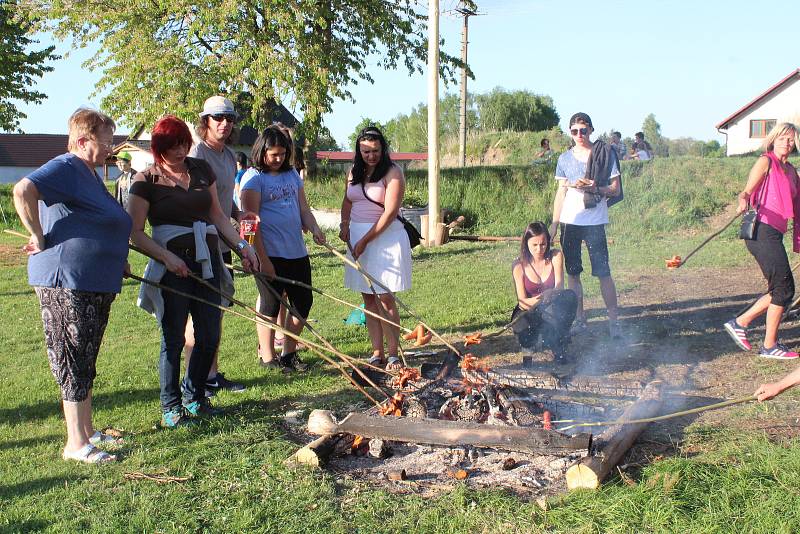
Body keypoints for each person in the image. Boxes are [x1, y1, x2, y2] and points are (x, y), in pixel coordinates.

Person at [12, 108, 131, 463]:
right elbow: (23, 190)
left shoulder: (89, 174)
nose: (110, 148)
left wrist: (114, 255)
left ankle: (87, 430)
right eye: (105, 140)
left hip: (94, 278)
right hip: (66, 280)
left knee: (86, 355)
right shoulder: (65, 165)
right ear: (82, 140)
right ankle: (75, 444)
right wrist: (37, 233)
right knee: (72, 357)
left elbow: (98, 221)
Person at [128, 115, 259, 428]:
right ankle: (171, 406)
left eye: (183, 145)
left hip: (208, 260)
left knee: (210, 333)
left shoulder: (200, 169)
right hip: (172, 265)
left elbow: (217, 214)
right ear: (158, 148)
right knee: (173, 337)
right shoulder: (146, 180)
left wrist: (243, 246)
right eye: (171, 147)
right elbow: (135, 231)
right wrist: (166, 258)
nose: (178, 152)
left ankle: (195, 396)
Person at [240, 126, 325, 371]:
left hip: (296, 251)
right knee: (270, 305)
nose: (278, 159)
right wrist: (262, 259)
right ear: (262, 152)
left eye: (282, 154)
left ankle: (289, 353)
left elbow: (303, 210)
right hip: (269, 253)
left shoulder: (292, 176)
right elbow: (248, 223)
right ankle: (267, 357)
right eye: (273, 155)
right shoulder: (253, 178)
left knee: (303, 302)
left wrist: (315, 228)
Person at [185, 95, 247, 395]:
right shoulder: (197, 154)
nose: (224, 123)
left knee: (217, 310)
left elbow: (224, 198)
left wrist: (239, 213)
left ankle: (211, 373)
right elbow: (208, 208)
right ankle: (194, 378)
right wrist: (241, 245)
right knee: (199, 315)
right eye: (218, 118)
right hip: (201, 243)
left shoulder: (227, 154)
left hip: (222, 242)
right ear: (205, 122)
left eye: (229, 118)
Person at [723, 122, 800, 360]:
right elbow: (746, 191)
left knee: (781, 288)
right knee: (784, 289)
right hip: (761, 231)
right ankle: (764, 342)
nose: (787, 143)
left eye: (791, 139)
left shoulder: (792, 171)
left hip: (774, 233)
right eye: (782, 138)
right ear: (773, 140)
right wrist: (743, 199)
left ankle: (743, 324)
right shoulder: (765, 162)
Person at [339, 126, 412, 370]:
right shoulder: (354, 172)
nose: (371, 155)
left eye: (375, 150)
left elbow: (390, 212)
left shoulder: (392, 173)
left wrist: (365, 240)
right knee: (368, 298)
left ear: (383, 149)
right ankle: (376, 351)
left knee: (385, 297)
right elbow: (348, 200)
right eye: (365, 151)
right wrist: (345, 224)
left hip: (384, 237)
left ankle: (392, 354)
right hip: (358, 235)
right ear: (359, 150)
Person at [550, 112, 622, 338]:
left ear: (591, 130)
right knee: (573, 273)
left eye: (583, 130)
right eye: (574, 131)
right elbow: (561, 192)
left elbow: (615, 189)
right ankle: (579, 319)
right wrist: (554, 223)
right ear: (570, 133)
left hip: (595, 221)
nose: (579, 135)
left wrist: (594, 188)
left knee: (603, 272)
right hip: (570, 222)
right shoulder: (564, 159)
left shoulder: (604, 153)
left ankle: (613, 322)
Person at [511, 222, 577, 364]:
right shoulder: (518, 265)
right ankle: (528, 350)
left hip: (553, 305)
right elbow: (522, 301)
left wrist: (551, 293)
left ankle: (558, 347)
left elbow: (559, 286)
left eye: (543, 244)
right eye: (534, 245)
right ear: (526, 243)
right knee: (521, 323)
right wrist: (540, 300)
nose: (539, 249)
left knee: (569, 297)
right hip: (529, 309)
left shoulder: (556, 255)